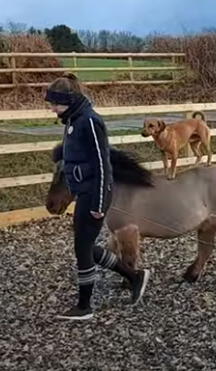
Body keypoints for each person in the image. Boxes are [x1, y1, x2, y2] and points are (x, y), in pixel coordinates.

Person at [45, 72, 150, 320]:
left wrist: (100, 202)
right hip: (84, 192)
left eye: (55, 104)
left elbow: (103, 164)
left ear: (69, 100)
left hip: (94, 194)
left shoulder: (90, 122)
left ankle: (84, 307)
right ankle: (134, 276)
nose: (52, 110)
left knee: (83, 249)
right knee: (85, 247)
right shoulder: (72, 120)